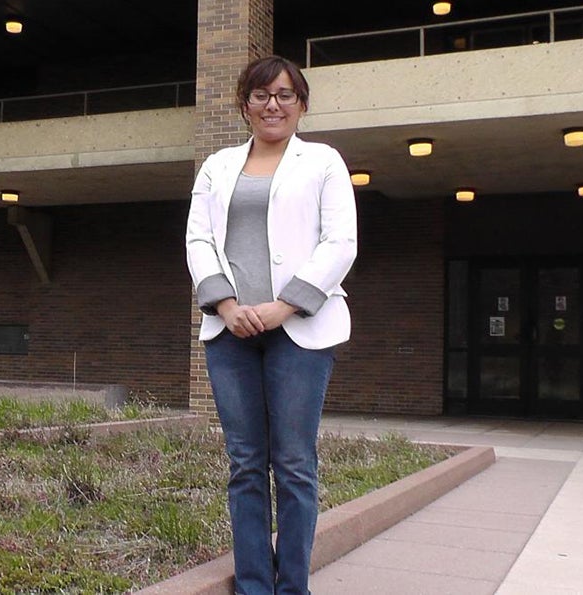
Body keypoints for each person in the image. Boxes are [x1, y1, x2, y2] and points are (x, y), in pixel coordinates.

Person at [185, 55, 358, 595]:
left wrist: (285, 306)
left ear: (301, 104)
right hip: (231, 333)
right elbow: (198, 240)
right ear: (245, 106)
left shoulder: (324, 161)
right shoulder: (217, 165)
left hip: (299, 332)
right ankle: (255, 585)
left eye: (284, 95)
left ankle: (293, 588)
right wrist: (225, 306)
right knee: (245, 464)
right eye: (261, 96)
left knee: (294, 464)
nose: (273, 105)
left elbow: (340, 242)